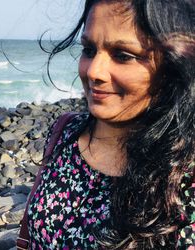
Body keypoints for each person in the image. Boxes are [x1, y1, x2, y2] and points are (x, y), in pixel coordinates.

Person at [22, 0, 194, 249]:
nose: (94, 71)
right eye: (89, 50)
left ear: (174, 65)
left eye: (123, 55)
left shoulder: (185, 173)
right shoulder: (65, 132)